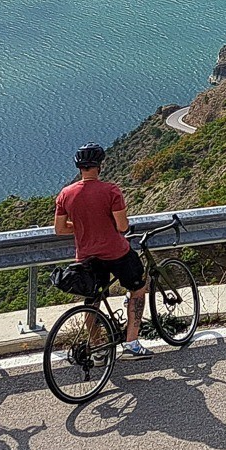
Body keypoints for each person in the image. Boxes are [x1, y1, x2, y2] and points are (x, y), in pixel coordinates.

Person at [53, 143, 149, 357]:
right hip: (116, 252)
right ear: (99, 166)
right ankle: (132, 343)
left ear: (79, 167)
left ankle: (97, 349)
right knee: (138, 289)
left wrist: (83, 225)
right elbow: (123, 226)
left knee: (92, 301)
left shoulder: (66, 194)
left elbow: (59, 228)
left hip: (86, 256)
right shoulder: (111, 190)